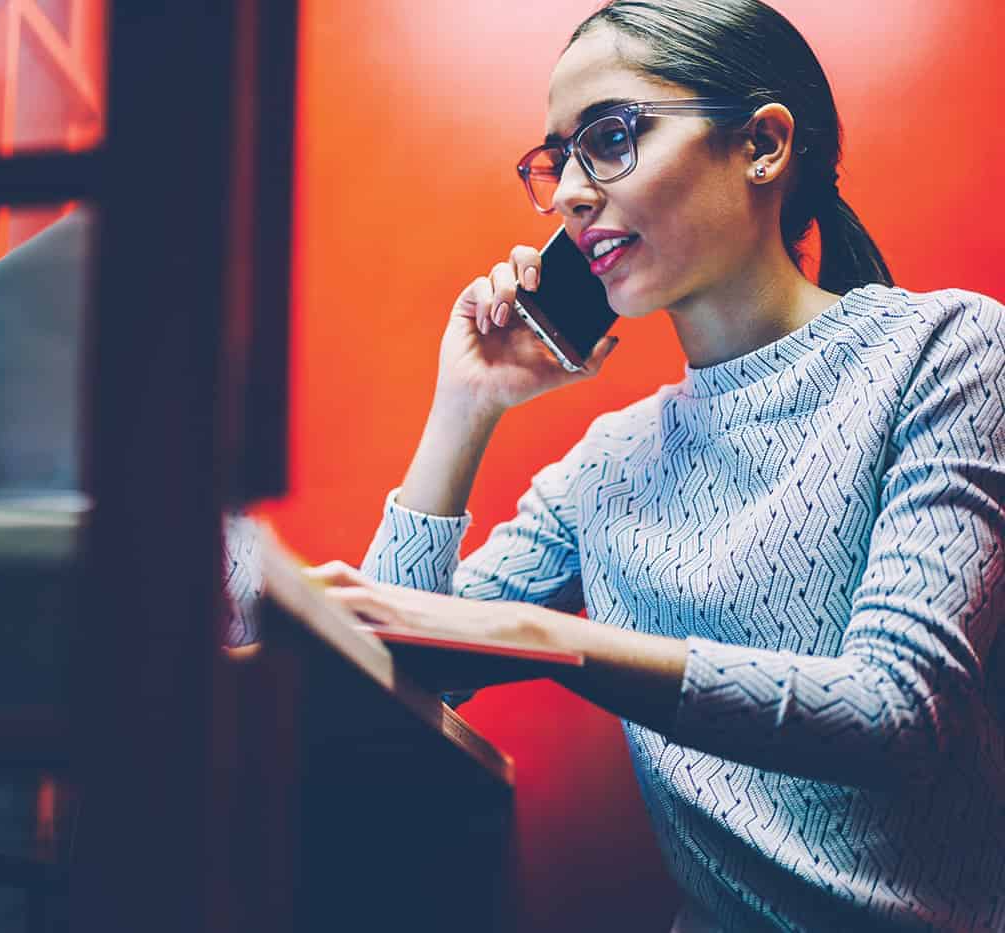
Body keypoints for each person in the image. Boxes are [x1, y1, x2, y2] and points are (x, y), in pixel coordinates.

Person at [306, 1, 1005, 929]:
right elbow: (391, 677)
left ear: (762, 143)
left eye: (609, 137)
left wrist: (550, 639)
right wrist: (463, 409)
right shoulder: (608, 468)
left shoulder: (948, 350)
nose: (567, 195)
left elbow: (899, 714)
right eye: (558, 161)